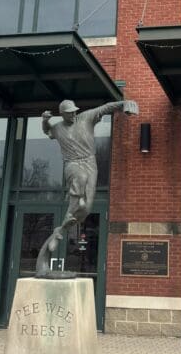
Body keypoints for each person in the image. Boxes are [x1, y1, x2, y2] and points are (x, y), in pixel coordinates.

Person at [35, 97, 137, 276]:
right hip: (72, 163)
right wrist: (45, 120)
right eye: (69, 113)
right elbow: (47, 131)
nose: (73, 114)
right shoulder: (58, 127)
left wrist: (123, 104)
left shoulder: (86, 117)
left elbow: (105, 107)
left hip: (90, 161)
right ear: (63, 114)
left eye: (74, 111)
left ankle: (61, 230)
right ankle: (71, 210)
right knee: (80, 179)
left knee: (87, 207)